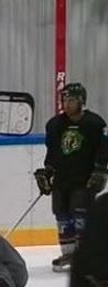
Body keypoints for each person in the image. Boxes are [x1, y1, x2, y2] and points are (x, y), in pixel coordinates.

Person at [34, 82, 108, 272]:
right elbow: (52, 153)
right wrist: (48, 171)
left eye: (72, 100)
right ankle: (68, 253)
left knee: (80, 214)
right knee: (61, 214)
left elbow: (103, 150)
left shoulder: (94, 123)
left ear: (81, 101)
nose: (67, 104)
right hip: (62, 180)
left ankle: (84, 253)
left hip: (84, 180)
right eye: (64, 100)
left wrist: (100, 171)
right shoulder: (55, 125)